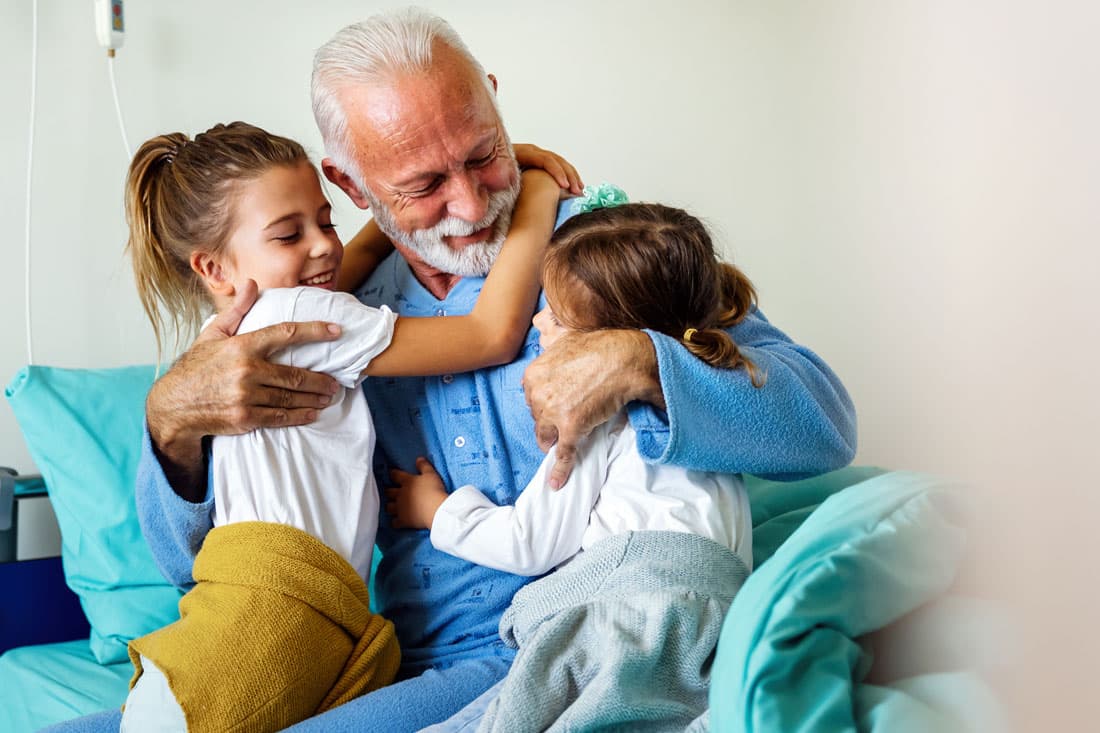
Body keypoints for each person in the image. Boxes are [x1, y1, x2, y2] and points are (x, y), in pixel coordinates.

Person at [46, 8, 856, 732]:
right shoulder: (317, 309)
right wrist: (171, 422)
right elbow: (188, 563)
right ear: (350, 185)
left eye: (485, 155)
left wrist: (642, 359)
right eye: (425, 184)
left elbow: (822, 421)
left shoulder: (612, 251)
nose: (470, 205)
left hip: (585, 632)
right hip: (412, 661)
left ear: (499, 106)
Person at [115, 121, 567, 732]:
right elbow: (491, 333)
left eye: (326, 222)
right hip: (277, 615)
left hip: (236, 609)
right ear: (215, 268)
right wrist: (533, 192)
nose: (326, 246)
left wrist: (435, 192)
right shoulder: (304, 313)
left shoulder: (226, 335)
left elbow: (338, 267)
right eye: (289, 234)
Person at [392, 200, 759, 731]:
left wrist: (438, 512)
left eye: (556, 316)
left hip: (626, 620)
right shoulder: (712, 403)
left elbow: (531, 541)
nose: (538, 320)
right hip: (717, 630)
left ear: (606, 341)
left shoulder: (596, 412)